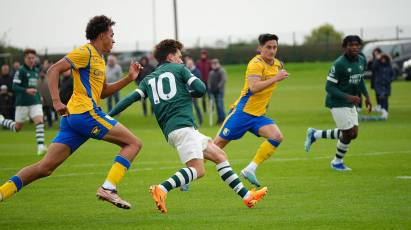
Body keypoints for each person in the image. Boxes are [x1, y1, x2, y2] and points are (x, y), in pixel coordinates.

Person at [0, 15, 143, 210]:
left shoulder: (99, 59)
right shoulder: (85, 52)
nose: (114, 39)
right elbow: (53, 70)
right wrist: (57, 100)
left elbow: (102, 92)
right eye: (112, 34)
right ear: (102, 35)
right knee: (134, 143)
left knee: (45, 168)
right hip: (85, 114)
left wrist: (128, 78)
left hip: (74, 119)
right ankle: (108, 188)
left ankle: (2, 192)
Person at [109, 39, 268, 214]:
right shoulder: (179, 69)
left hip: (175, 131)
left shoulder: (148, 79)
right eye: (179, 56)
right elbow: (201, 89)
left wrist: (107, 117)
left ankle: (247, 197)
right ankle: (161, 188)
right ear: (170, 56)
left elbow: (128, 100)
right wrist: (187, 91)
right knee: (198, 170)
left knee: (219, 155)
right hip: (183, 128)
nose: (182, 60)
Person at [213, 34, 289, 187]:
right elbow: (253, 88)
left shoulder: (277, 64)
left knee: (277, 136)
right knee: (215, 147)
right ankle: (189, 172)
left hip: (258, 116)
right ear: (260, 48)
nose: (272, 51)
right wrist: (276, 78)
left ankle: (250, 169)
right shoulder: (255, 64)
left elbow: (277, 69)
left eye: (275, 47)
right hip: (242, 113)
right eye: (268, 47)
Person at [304, 35, 372, 171]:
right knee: (348, 133)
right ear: (344, 47)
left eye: (357, 45)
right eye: (351, 45)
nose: (354, 47)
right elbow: (329, 87)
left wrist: (367, 96)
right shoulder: (339, 64)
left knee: (353, 134)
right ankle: (337, 162)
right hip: (336, 102)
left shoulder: (361, 60)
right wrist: (349, 97)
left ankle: (315, 134)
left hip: (349, 102)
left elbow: (359, 79)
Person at [0, 49, 47, 156]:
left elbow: (34, 87)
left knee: (39, 121)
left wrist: (39, 96)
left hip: (35, 102)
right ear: (24, 59)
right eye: (29, 58)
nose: (31, 60)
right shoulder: (20, 71)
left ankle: (40, 146)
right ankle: (2, 120)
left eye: (33, 58)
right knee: (17, 128)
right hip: (22, 103)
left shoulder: (35, 70)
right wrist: (26, 90)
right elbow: (14, 86)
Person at [373, 53, 394, 119]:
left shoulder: (389, 66)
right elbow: (373, 67)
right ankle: (383, 110)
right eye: (382, 59)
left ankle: (385, 111)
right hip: (379, 85)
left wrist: (390, 80)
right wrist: (377, 59)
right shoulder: (378, 65)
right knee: (381, 97)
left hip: (386, 85)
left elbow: (393, 74)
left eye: (384, 59)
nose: (383, 60)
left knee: (385, 98)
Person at [185, 55, 203, 125]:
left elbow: (198, 82)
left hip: (194, 92)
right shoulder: (186, 71)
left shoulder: (197, 71)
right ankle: (190, 122)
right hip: (187, 92)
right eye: (187, 64)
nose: (188, 65)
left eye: (189, 64)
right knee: (188, 108)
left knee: (196, 106)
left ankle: (200, 120)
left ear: (192, 64)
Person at [208, 58, 227, 125]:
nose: (214, 65)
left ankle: (223, 119)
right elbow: (209, 81)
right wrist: (210, 88)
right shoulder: (211, 72)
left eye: (216, 63)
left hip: (220, 91)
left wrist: (218, 87)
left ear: (218, 64)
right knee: (217, 106)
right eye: (213, 64)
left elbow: (223, 80)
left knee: (220, 105)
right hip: (213, 92)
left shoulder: (222, 71)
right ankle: (219, 119)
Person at [38, 60, 55, 128]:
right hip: (40, 100)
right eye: (40, 73)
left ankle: (50, 124)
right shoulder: (38, 81)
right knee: (41, 113)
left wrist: (49, 99)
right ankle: (41, 124)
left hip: (48, 100)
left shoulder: (48, 80)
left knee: (48, 113)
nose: (41, 74)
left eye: (42, 73)